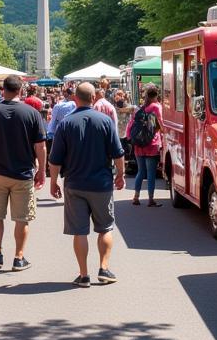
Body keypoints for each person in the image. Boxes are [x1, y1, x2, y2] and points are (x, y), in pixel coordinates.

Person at [48, 82, 126, 287]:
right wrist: (121, 175)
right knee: (105, 227)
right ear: (94, 98)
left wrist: (54, 182)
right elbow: (118, 153)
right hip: (101, 183)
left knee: (80, 231)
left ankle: (83, 275)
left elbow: (55, 159)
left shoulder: (65, 123)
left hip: (74, 184)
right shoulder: (106, 121)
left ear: (75, 98)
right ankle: (104, 268)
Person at [0, 75, 47, 272]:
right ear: (21, 90)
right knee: (21, 218)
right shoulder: (32, 113)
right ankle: (19, 257)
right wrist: (42, 170)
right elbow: (40, 146)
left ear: (2, 90)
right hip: (23, 174)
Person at [128, 85, 163, 206]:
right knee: (151, 173)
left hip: (138, 145)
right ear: (156, 95)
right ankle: (150, 199)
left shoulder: (139, 109)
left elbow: (130, 126)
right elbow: (162, 125)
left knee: (140, 171)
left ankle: (136, 197)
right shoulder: (156, 107)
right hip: (151, 144)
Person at [48, 82, 77, 150]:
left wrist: (50, 136)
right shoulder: (80, 105)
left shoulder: (59, 106)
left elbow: (53, 124)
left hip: (62, 136)